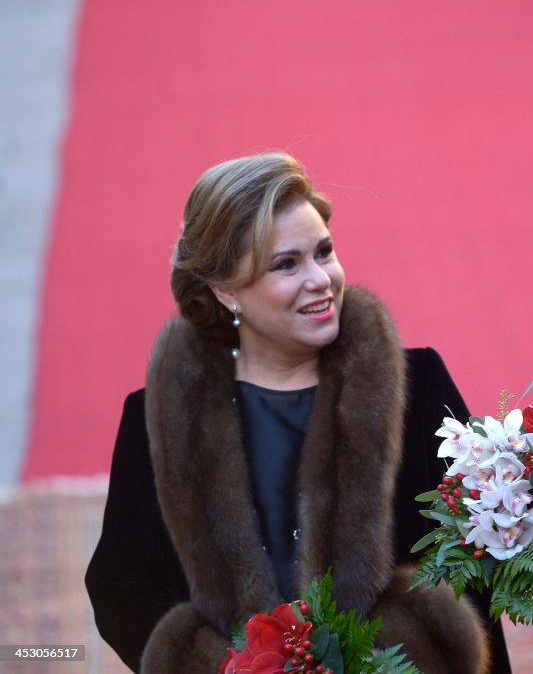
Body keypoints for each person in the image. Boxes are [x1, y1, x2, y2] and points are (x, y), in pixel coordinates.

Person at [85, 152, 510, 673]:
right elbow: (121, 585)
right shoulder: (157, 417)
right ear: (224, 291)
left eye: (323, 252)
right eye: (286, 264)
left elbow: (475, 557)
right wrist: (227, 666)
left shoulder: (418, 387)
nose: (321, 280)